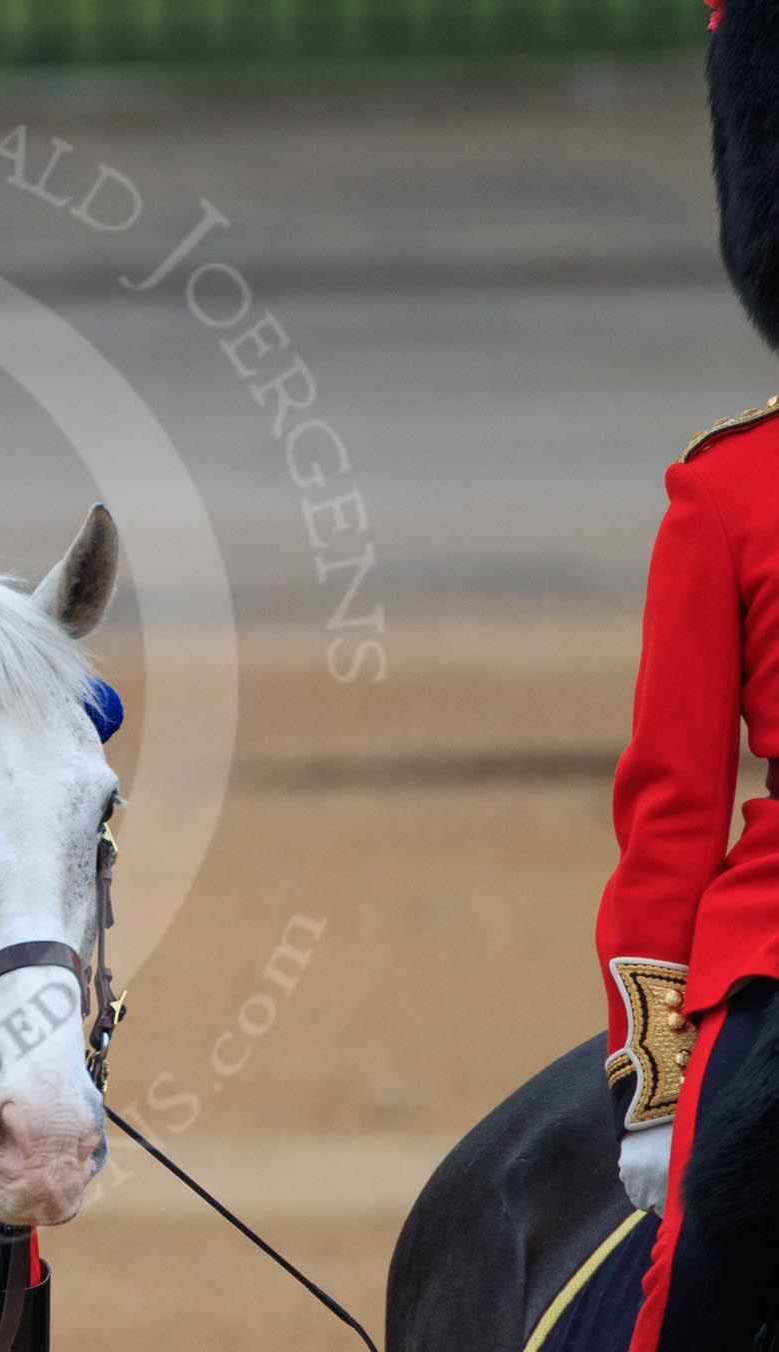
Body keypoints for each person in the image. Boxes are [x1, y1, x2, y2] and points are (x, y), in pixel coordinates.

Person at [596, 3, 779, 1347]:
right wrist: (658, 1091)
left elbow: (670, 834)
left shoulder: (730, 488)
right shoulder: (725, 494)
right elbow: (669, 825)